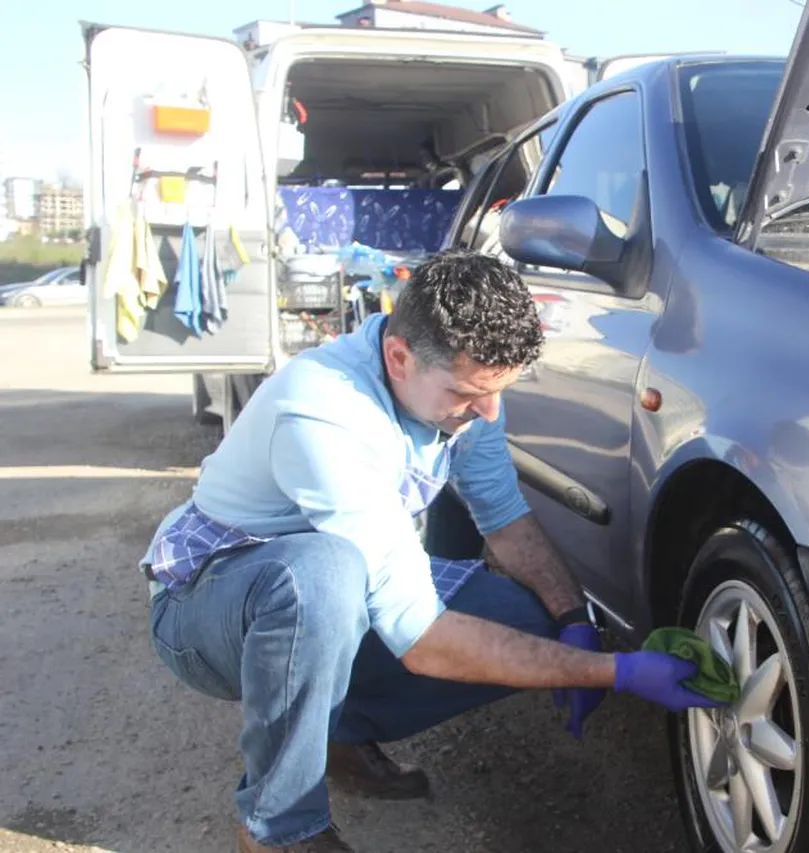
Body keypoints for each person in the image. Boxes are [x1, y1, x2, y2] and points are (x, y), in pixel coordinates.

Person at [140, 251, 724, 853]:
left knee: (529, 618)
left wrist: (574, 621)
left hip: (329, 584)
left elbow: (506, 522)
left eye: (499, 391)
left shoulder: (460, 395)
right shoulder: (324, 410)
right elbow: (422, 639)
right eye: (469, 393)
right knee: (321, 575)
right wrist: (617, 671)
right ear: (399, 357)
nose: (490, 412)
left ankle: (335, 731)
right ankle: (278, 825)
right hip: (209, 604)